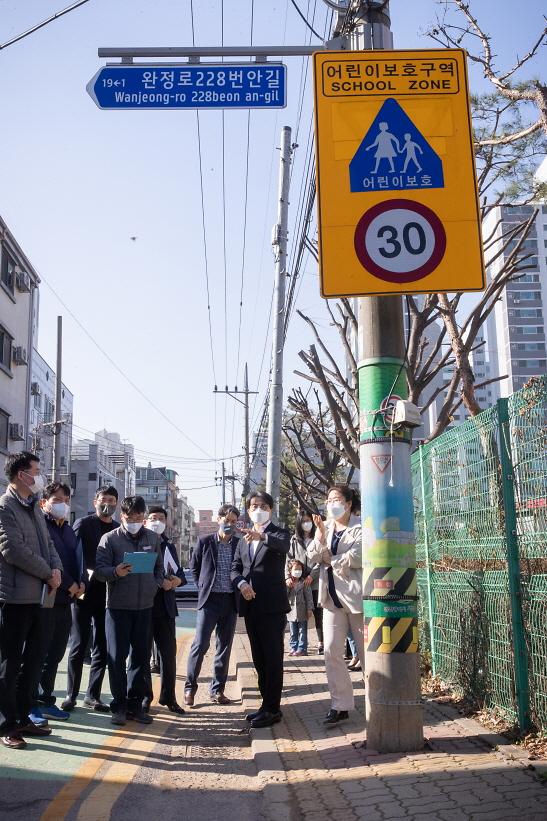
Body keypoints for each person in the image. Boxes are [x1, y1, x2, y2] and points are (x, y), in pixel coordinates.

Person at [0, 452, 63, 749]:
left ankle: (24, 716)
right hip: (13, 598)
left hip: (41, 597)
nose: (39, 477)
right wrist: (47, 572)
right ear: (21, 474)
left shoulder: (35, 507)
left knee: (34, 661)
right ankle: (7, 725)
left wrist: (57, 569)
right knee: (9, 664)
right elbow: (12, 548)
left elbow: (48, 543)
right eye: (36, 471)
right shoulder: (5, 505)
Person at [95, 495, 165, 726]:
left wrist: (154, 586)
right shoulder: (109, 539)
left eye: (138, 516)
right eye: (129, 516)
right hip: (117, 608)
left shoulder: (153, 538)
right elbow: (100, 570)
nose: (134, 520)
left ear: (143, 517)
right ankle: (119, 706)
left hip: (144, 607)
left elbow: (158, 569)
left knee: (141, 658)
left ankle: (136, 705)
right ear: (121, 516)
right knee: (116, 658)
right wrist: (116, 571)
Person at [231, 492, 290, 729]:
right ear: (247, 509)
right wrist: (242, 584)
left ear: (271, 509)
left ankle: (273, 709)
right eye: (254, 506)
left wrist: (262, 536)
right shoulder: (243, 540)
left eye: (263, 506)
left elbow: (283, 546)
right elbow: (235, 568)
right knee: (258, 658)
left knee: (273, 657)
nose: (258, 509)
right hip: (251, 604)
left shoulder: (278, 533)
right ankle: (265, 705)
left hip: (273, 606)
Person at [308, 484, 363, 726]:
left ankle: (377, 700)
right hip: (330, 599)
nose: (332, 504)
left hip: (356, 599)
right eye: (329, 500)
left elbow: (359, 556)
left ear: (349, 503)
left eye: (337, 499)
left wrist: (331, 559)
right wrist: (320, 536)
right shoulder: (326, 527)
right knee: (331, 651)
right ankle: (340, 705)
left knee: (366, 654)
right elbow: (311, 557)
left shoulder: (361, 526)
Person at [31, 482, 86, 723]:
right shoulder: (40, 524)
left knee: (54, 653)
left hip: (66, 600)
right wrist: (70, 583)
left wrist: (82, 582)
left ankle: (46, 700)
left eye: (66, 499)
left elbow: (76, 559)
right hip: (45, 597)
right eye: (57, 499)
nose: (62, 504)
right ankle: (29, 703)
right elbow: (49, 561)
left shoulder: (68, 529)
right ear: (44, 502)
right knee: (36, 653)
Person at [62, 485, 119, 713]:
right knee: (78, 643)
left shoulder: (117, 529)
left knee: (102, 646)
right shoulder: (83, 524)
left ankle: (93, 695)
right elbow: (71, 554)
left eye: (112, 500)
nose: (107, 504)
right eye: (103, 499)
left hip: (107, 592)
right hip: (84, 590)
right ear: (95, 501)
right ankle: (70, 695)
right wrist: (76, 582)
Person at [185, 504, 240, 707]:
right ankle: (190, 688)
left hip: (230, 601)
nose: (230, 525)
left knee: (224, 648)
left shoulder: (238, 544)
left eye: (234, 522)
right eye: (227, 521)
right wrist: (202, 587)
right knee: (200, 645)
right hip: (209, 601)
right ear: (219, 519)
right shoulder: (205, 541)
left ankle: (217, 690)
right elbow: (194, 567)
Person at [142, 505, 186, 715]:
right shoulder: (140, 542)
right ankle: (144, 697)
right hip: (144, 606)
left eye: (160, 518)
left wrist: (176, 580)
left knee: (168, 656)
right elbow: (137, 573)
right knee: (142, 655)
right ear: (145, 520)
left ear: (167, 521)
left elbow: (181, 575)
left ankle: (169, 697)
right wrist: (160, 582)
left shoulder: (169, 545)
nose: (156, 521)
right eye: (152, 517)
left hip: (166, 609)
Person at [286, 512, 323, 653]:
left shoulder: (318, 537)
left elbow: (320, 560)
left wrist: (312, 576)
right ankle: (298, 645)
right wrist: (287, 577)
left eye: (309, 521)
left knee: (318, 612)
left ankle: (321, 642)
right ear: (299, 523)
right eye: (304, 521)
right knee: (297, 614)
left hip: (315, 582)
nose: (307, 523)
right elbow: (288, 560)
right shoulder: (294, 540)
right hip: (297, 582)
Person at [286, 560, 313, 657]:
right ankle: (293, 647)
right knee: (293, 632)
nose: (298, 571)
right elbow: (285, 595)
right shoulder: (288, 583)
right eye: (295, 569)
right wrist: (288, 586)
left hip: (302, 610)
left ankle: (302, 649)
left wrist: (309, 609)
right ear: (290, 570)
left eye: (300, 569)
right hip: (291, 611)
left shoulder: (304, 583)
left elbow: (309, 597)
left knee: (302, 631)